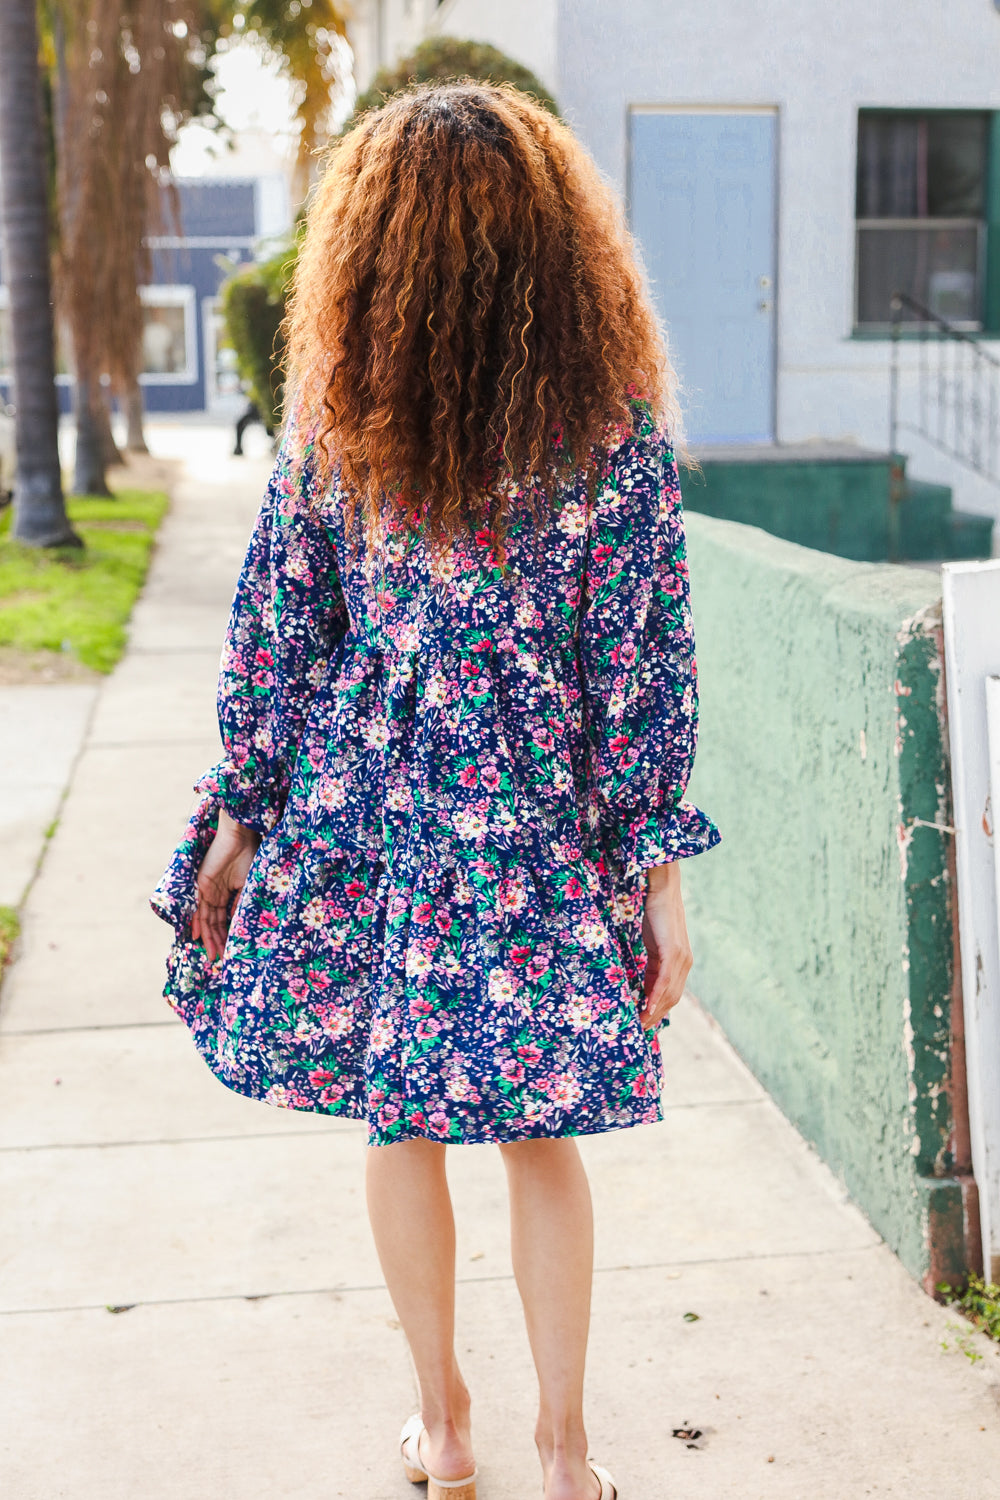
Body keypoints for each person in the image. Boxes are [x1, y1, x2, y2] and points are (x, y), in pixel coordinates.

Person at [152, 81, 721, 1500]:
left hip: (371, 819)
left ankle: (447, 1432)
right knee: (540, 1132)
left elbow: (282, 631)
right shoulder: (613, 435)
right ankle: (566, 1453)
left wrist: (238, 818)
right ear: (555, 246)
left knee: (401, 1121)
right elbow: (639, 671)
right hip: (534, 826)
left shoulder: (344, 421)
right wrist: (659, 879)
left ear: (373, 245)